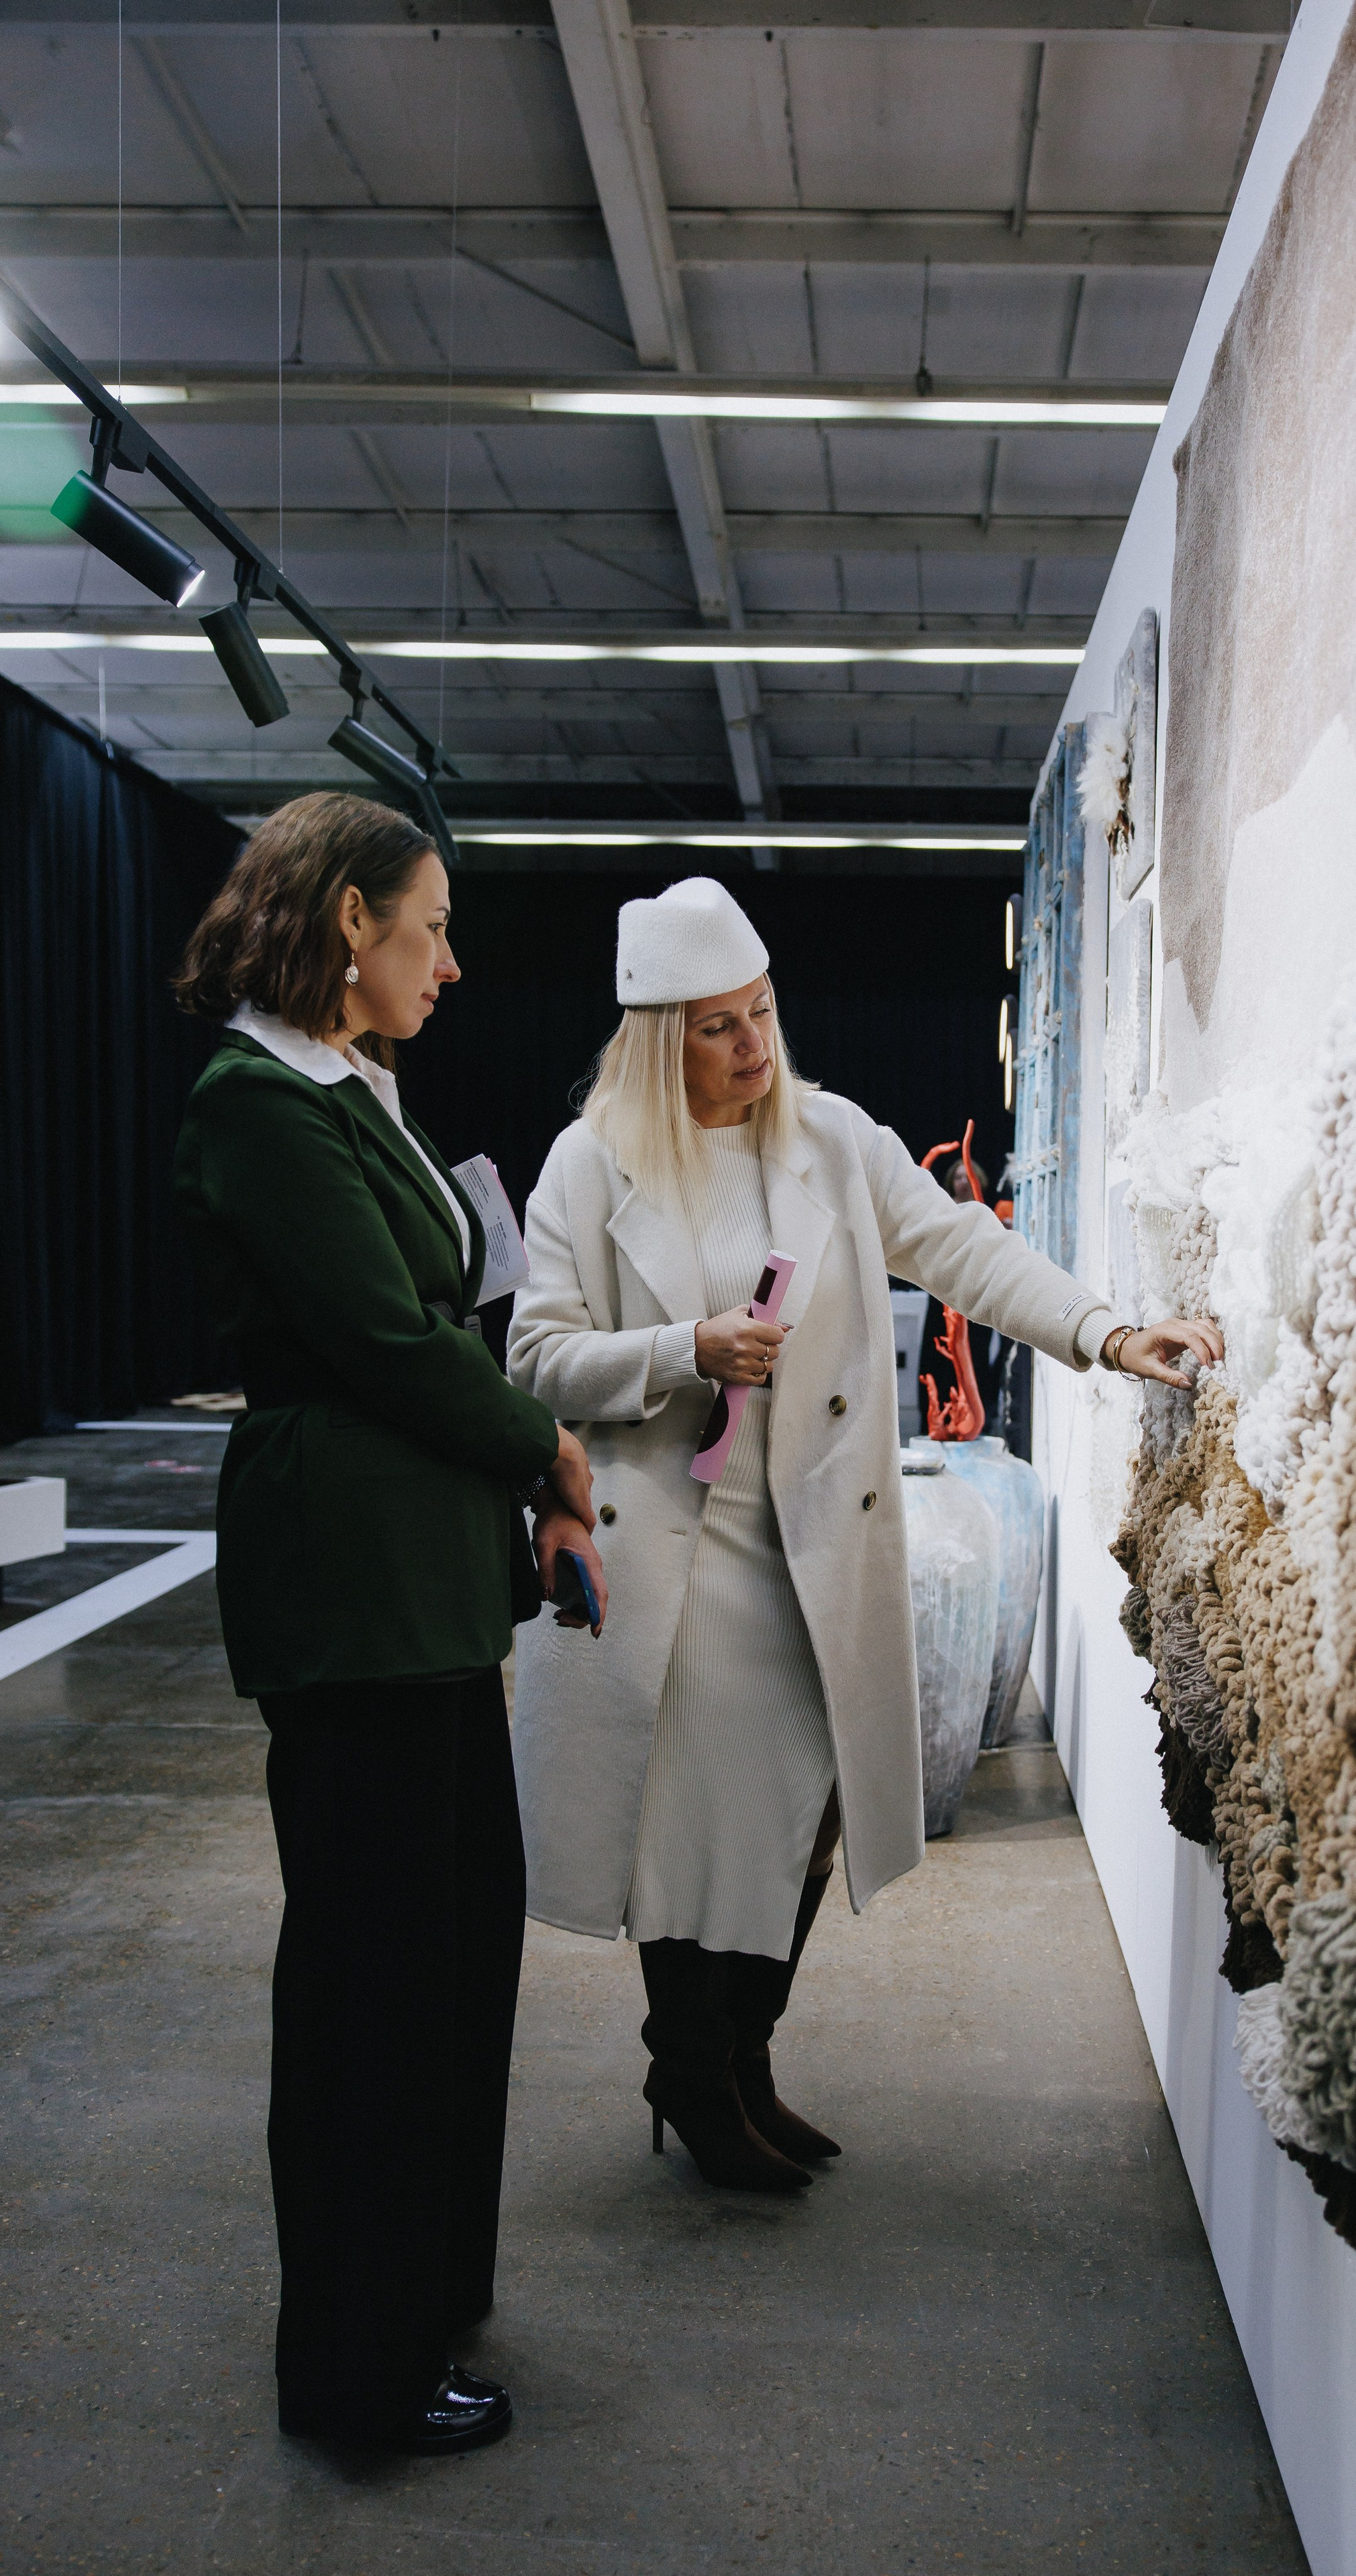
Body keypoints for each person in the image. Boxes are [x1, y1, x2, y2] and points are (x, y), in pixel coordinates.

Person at [505, 876, 1220, 2194]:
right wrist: (687, 1347)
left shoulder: (828, 1140)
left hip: (811, 1543)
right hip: (680, 1549)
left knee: (805, 1818)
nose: (752, 1047)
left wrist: (1109, 1333)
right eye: (717, 1027)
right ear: (661, 1036)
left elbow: (961, 1250)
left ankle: (741, 2061)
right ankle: (694, 2075)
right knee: (697, 1835)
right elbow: (535, 1355)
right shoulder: (589, 1161)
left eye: (762, 1013)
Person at [171, 793, 606, 2456]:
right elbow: (387, 1339)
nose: (450, 959)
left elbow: (441, 1311)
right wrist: (549, 1448)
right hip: (350, 1600)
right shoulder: (258, 1102)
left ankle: (420, 2298)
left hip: (420, 1601)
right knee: (370, 1997)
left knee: (445, 1965)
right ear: (349, 921)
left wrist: (524, 1495)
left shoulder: (355, 1089)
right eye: (428, 926)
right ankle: (354, 2376)